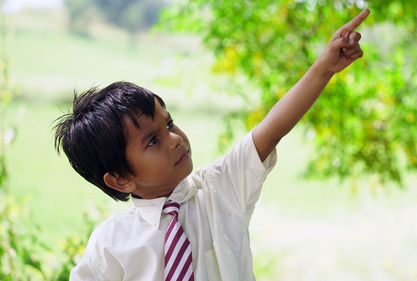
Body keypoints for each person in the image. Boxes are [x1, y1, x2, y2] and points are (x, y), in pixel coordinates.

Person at [54, 9, 370, 281]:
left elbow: (271, 131)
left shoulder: (220, 188)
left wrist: (323, 68)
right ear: (121, 178)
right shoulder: (110, 244)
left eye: (168, 123)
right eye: (153, 140)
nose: (175, 139)